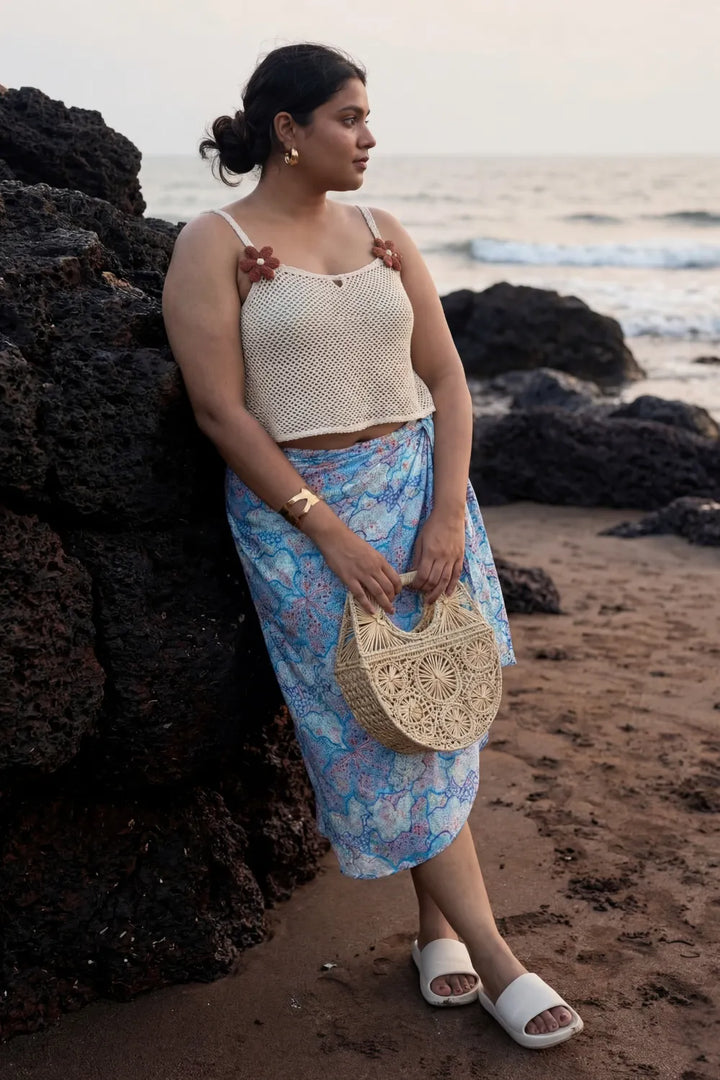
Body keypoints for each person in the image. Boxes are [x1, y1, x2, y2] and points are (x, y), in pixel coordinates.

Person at [162, 42, 583, 1050]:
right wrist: (328, 529)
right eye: (349, 116)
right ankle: (498, 962)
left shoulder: (383, 229)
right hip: (301, 521)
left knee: (440, 708)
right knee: (374, 735)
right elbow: (222, 413)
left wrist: (447, 513)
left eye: (368, 115)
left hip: (420, 493)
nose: (369, 135)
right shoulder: (212, 241)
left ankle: (437, 934)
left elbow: (445, 380)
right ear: (288, 131)